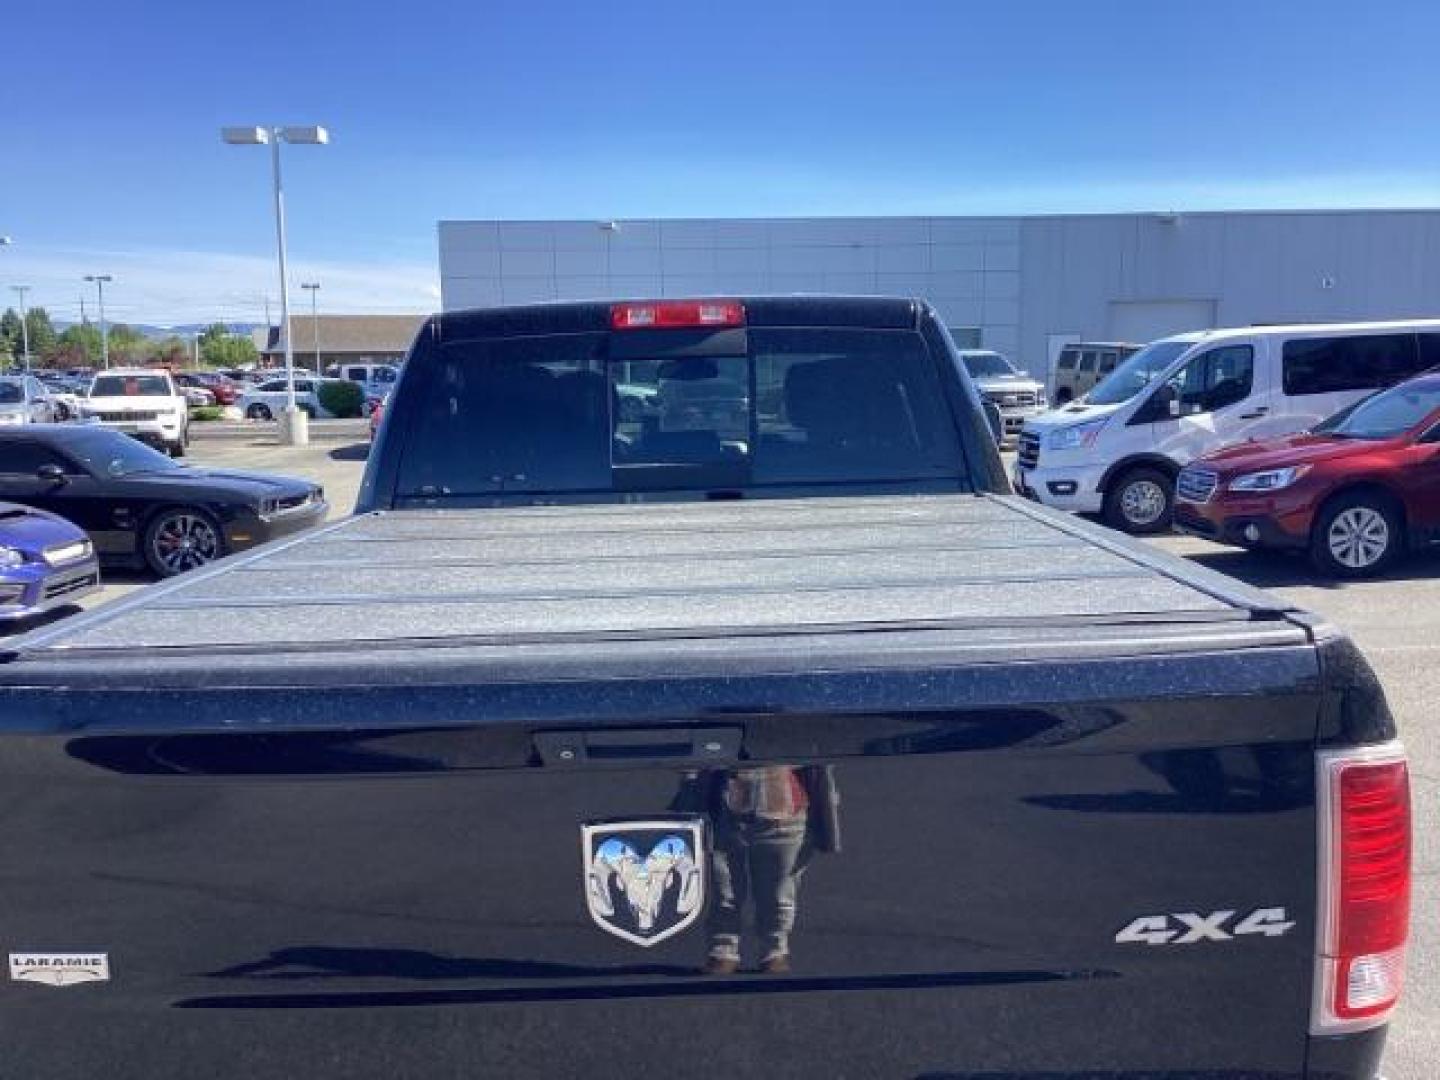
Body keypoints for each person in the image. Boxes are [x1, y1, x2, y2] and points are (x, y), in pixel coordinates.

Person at [673, 765, 840, 975]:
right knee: (725, 893)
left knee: (779, 896)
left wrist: (825, 819)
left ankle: (774, 951)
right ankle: (723, 951)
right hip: (724, 814)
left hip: (786, 816)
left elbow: (819, 764)